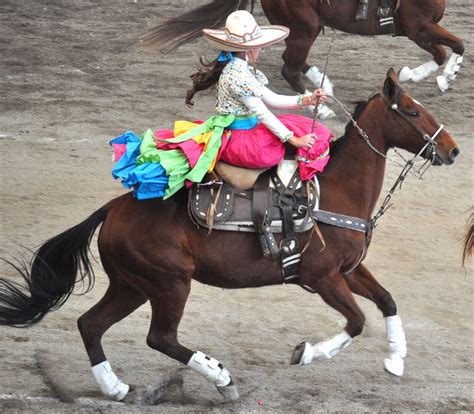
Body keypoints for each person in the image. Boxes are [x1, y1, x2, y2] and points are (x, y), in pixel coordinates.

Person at [111, 10, 333, 200]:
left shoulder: (242, 69)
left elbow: (272, 99)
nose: (261, 49)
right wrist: (292, 138)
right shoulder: (238, 76)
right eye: (258, 46)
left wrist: (307, 100)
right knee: (289, 145)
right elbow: (262, 112)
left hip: (248, 130)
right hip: (243, 139)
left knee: (302, 132)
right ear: (249, 50)